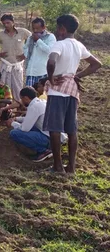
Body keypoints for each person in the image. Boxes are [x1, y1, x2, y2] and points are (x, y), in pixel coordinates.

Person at [44, 14, 102, 174]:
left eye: (58, 28)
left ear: (62, 29)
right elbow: (96, 64)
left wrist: (51, 78)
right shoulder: (79, 45)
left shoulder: (59, 45)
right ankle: (71, 167)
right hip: (72, 89)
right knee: (71, 130)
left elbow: (51, 61)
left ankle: (57, 167)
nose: (57, 31)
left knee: (54, 129)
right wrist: (77, 76)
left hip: (58, 90)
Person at [8, 87, 68, 162]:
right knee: (31, 126)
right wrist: (17, 119)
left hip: (50, 139)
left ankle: (44, 151)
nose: (21, 102)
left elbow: (24, 128)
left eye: (21, 99)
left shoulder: (33, 107)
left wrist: (13, 123)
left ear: (26, 98)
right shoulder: (41, 102)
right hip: (57, 136)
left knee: (14, 133)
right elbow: (31, 119)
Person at [0, 14, 31, 100]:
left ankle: (18, 104)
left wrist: (25, 54)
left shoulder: (23, 32)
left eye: (8, 23)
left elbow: (33, 41)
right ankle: (5, 105)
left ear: (13, 22)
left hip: (18, 64)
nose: (6, 25)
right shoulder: (0, 34)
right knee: (4, 85)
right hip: (6, 63)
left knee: (18, 86)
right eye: (4, 23)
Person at [23, 17, 56, 87]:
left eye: (37, 28)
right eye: (33, 28)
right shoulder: (30, 37)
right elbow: (25, 48)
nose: (35, 30)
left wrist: (38, 40)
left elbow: (50, 51)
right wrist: (27, 55)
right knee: (30, 96)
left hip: (42, 72)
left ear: (43, 27)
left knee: (42, 96)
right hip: (30, 72)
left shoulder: (50, 37)